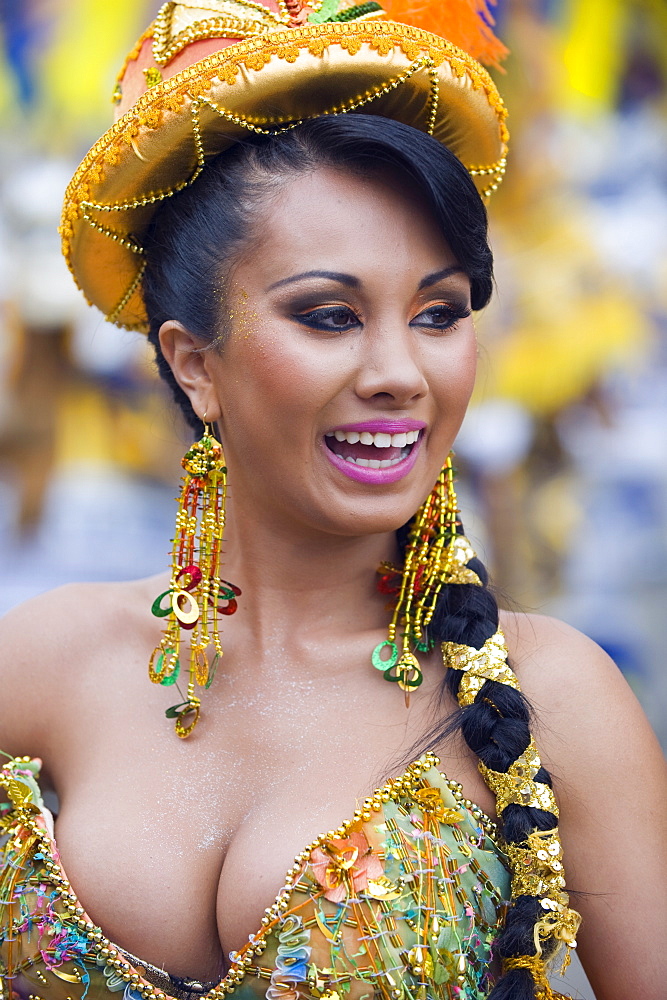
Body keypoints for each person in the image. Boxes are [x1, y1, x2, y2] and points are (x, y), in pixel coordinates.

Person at [1, 3, 665, 1000]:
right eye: (329, 315)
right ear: (194, 365)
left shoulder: (553, 699)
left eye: (438, 313)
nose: (400, 372)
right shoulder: (43, 663)